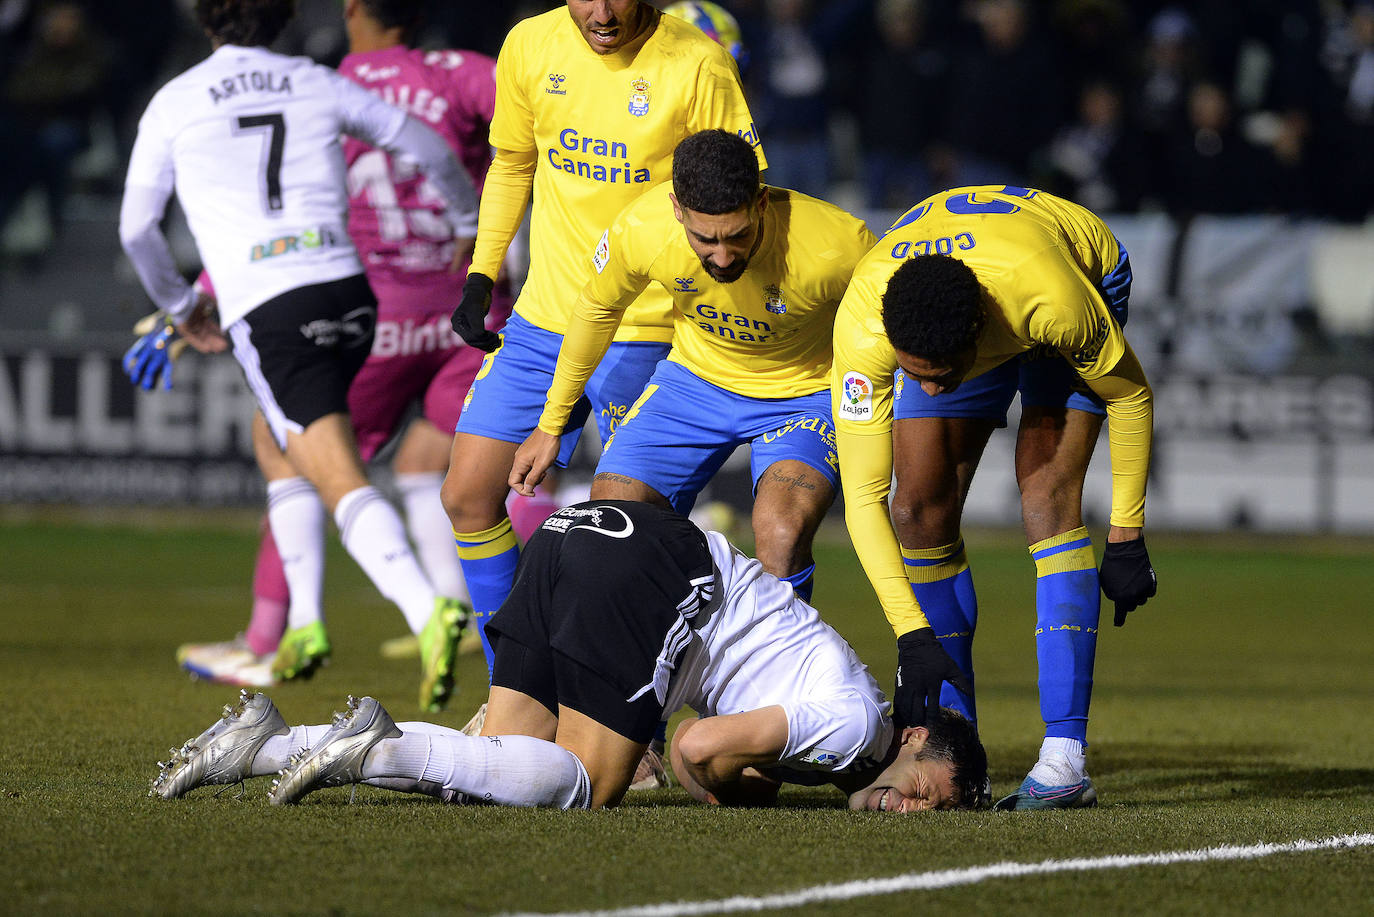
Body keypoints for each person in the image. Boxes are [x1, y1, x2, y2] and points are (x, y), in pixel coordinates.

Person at [162, 0, 560, 689]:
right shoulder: (466, 72)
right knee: (488, 470)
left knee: (296, 451)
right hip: (472, 313)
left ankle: (268, 635)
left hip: (377, 315)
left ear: (351, 10)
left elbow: (274, 196)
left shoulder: (323, 81)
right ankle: (544, 617)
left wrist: (204, 287)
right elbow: (539, 137)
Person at [149, 500, 988, 812]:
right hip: (651, 573)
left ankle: (264, 743)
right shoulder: (854, 729)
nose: (914, 810)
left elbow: (713, 731)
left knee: (498, 765)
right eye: (929, 796)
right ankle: (383, 740)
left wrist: (736, 765)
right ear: (917, 739)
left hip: (572, 533)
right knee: (588, 782)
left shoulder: (845, 702)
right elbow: (697, 747)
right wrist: (732, 786)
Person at [439, 0, 765, 684]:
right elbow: (512, 164)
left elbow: (743, 197)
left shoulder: (697, 63)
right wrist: (481, 272)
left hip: (647, 325)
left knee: (634, 539)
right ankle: (516, 694)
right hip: (545, 320)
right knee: (469, 495)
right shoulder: (529, 43)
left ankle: (632, 724)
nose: (603, 11)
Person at [830, 184, 1158, 810]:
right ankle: (957, 749)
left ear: (976, 342)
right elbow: (863, 501)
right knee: (917, 511)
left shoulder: (1054, 302)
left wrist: (1126, 532)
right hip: (971, 291)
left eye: (940, 378)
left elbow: (1131, 396)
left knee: (1045, 490)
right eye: (911, 375)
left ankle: (1064, 762)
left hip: (1073, 264)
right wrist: (910, 635)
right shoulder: (864, 327)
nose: (924, 394)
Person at [509, 128, 875, 602]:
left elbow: (888, 339)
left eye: (737, 236)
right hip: (694, 384)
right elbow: (596, 310)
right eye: (705, 240)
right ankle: (666, 660)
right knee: (613, 519)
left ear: (761, 203)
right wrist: (551, 423)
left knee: (781, 534)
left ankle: (776, 673)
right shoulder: (642, 229)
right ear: (678, 210)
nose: (722, 256)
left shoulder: (839, 246)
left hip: (806, 395)